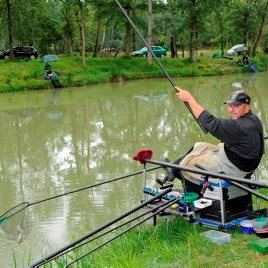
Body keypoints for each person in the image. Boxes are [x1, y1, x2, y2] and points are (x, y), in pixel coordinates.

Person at [157, 89, 265, 194]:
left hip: (235, 168)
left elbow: (211, 123)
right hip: (239, 159)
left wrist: (189, 99)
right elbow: (243, 140)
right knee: (199, 146)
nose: (231, 110)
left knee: (187, 166)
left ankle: (194, 201)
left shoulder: (241, 126)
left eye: (236, 106)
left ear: (247, 108)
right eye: (230, 105)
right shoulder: (253, 119)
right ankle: (173, 170)